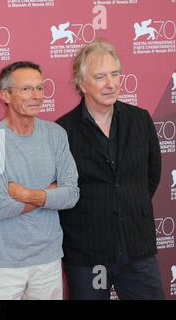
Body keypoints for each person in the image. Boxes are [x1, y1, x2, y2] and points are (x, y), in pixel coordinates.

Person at [56, 39, 164, 299]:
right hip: (90, 256)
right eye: (100, 76)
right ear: (82, 84)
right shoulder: (63, 131)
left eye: (115, 74)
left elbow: (152, 173)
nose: (111, 83)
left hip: (137, 250)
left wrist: (126, 203)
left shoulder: (140, 119)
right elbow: (62, 190)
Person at [0, 61, 79, 300]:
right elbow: (0, 208)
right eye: (26, 89)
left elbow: (71, 194)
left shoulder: (56, 134)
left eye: (40, 88)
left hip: (48, 258)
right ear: (5, 95)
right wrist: (49, 194)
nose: (37, 96)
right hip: (2, 263)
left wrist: (25, 194)